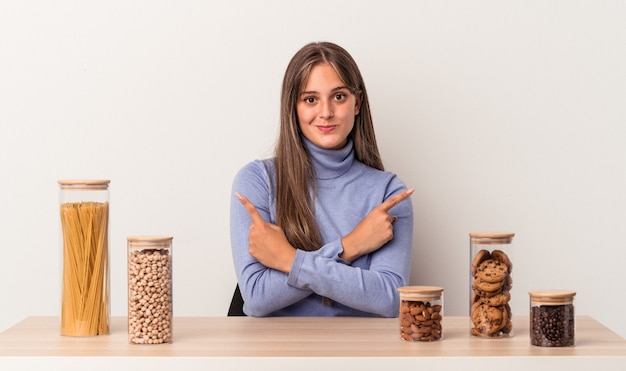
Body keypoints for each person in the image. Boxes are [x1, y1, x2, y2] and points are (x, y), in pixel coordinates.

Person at [230, 41, 414, 317]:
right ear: (293, 107)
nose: (326, 112)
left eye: (338, 96)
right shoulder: (259, 181)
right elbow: (256, 298)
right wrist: (349, 247)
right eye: (310, 99)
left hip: (360, 352)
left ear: (357, 103)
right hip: (275, 353)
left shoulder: (388, 193)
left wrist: (288, 260)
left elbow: (389, 299)